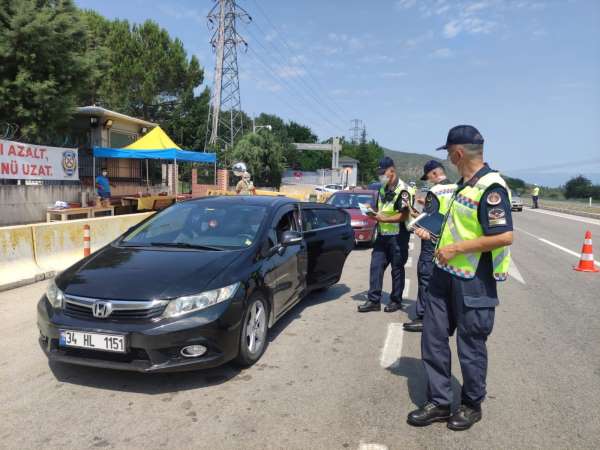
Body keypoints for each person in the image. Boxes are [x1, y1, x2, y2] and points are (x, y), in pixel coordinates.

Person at [407, 125, 513, 431]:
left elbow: (504, 235)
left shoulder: (491, 188)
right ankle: (439, 402)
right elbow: (455, 227)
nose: (450, 161)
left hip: (473, 279)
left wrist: (456, 248)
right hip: (444, 275)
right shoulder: (463, 187)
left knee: (471, 344)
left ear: (458, 153)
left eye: (450, 155)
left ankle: (471, 404)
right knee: (434, 337)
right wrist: (434, 236)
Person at [403, 160, 456, 333]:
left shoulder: (435, 191)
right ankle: (444, 316)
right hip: (450, 242)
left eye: (428, 177)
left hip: (431, 241)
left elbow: (431, 217)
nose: (428, 181)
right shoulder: (457, 188)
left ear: (434, 173)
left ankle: (423, 317)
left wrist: (414, 215)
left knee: (425, 276)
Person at [358, 157, 413, 313]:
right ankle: (373, 300)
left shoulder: (404, 190)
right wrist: (371, 210)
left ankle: (396, 301)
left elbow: (404, 215)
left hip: (398, 236)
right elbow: (378, 207)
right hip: (382, 235)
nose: (381, 175)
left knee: (397, 269)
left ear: (392, 170)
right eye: (380, 173)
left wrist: (385, 218)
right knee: (376, 266)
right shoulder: (382, 189)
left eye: (384, 172)